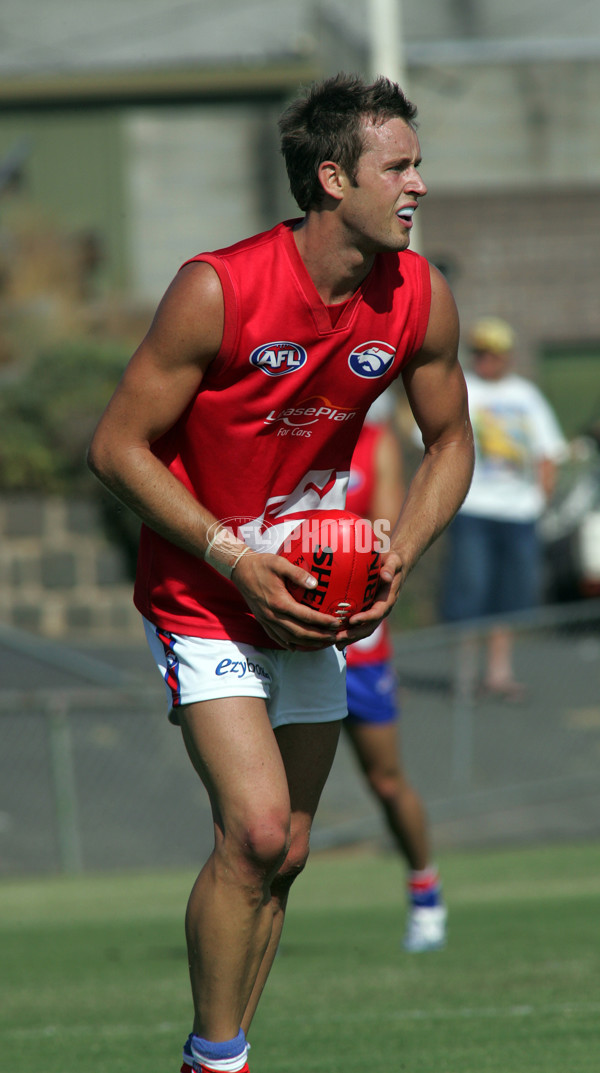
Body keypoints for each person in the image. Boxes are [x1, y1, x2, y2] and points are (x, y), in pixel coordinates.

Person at [87, 73, 473, 1073]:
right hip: (201, 593)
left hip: (312, 601)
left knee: (288, 850)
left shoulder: (419, 295)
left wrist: (398, 550)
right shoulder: (217, 286)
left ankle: (225, 1055)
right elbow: (118, 446)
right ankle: (213, 1058)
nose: (419, 184)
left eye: (419, 163)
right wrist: (231, 555)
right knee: (254, 829)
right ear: (334, 177)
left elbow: (452, 442)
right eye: (401, 165)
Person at [345, 399, 447, 952]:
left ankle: (426, 893)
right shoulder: (286, 428)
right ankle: (255, 911)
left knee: (386, 780)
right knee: (273, 799)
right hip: (286, 633)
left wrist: (329, 553)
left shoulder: (375, 440)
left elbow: (382, 532)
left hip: (356, 639)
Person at [441, 316, 566, 701]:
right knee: (469, 591)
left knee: (509, 596)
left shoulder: (525, 395)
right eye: (478, 352)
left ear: (506, 356)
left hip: (518, 513)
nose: (484, 360)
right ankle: (464, 674)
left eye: (491, 353)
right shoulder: (461, 390)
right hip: (473, 508)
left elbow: (549, 450)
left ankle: (498, 673)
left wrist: (541, 500)